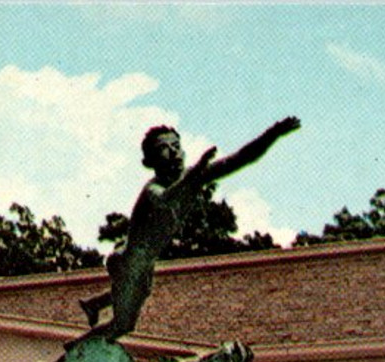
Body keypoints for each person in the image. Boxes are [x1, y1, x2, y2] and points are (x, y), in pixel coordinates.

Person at [80, 117, 300, 341]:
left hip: (144, 262)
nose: (173, 152)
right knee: (121, 325)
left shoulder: (191, 177)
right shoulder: (152, 189)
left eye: (176, 146)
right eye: (164, 149)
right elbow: (167, 198)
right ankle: (76, 348)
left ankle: (94, 304)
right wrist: (195, 174)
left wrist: (273, 133)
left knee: (131, 304)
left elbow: (239, 159)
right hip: (130, 262)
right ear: (150, 161)